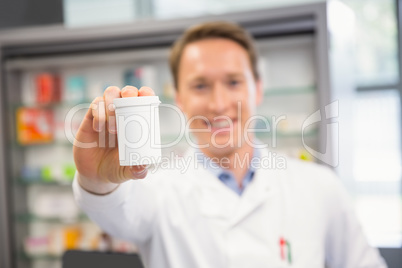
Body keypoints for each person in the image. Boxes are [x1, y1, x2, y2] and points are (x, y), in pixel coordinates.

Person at [72, 21, 387, 268]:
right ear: (179, 99)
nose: (219, 103)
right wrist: (96, 179)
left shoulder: (319, 187)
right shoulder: (156, 189)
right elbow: (118, 210)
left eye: (233, 82)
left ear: (258, 89)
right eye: (200, 85)